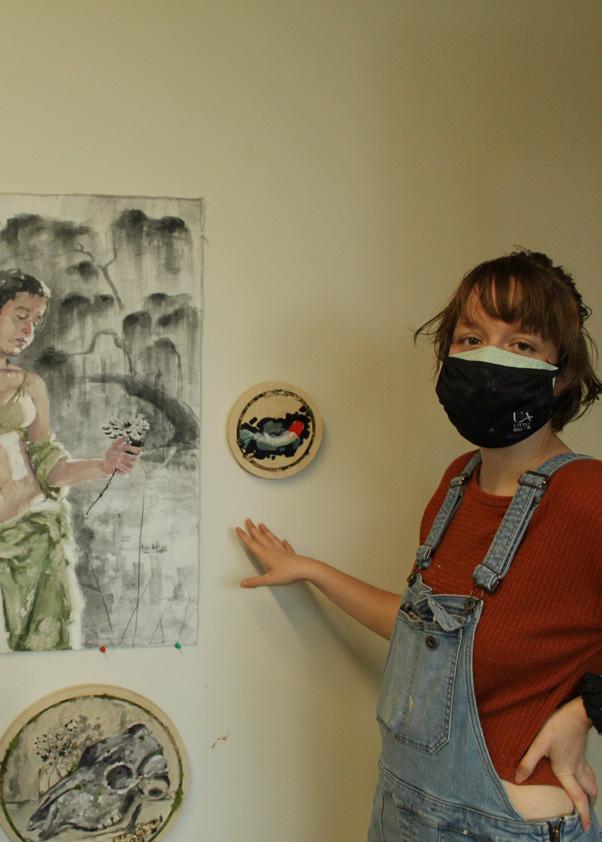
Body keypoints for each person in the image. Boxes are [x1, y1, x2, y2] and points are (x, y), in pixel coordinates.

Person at [237, 250, 602, 840]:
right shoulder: (458, 482)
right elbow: (427, 634)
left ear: (560, 374)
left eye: (521, 344)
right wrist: (312, 570)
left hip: (505, 826)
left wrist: (585, 713)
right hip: (400, 809)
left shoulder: (588, 495)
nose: (488, 358)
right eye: (471, 339)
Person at [0, 269, 141, 651]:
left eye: (36, 321)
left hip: (36, 535)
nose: (28, 329)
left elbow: (48, 464)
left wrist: (104, 464)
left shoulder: (30, 385)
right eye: (21, 315)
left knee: (46, 648)